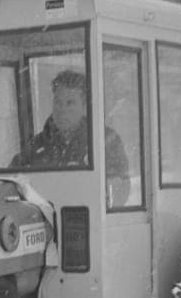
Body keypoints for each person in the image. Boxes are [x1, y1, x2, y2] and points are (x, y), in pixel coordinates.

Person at [10, 68, 130, 204]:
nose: (62, 110)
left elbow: (119, 189)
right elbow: (10, 183)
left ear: (85, 107)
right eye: (58, 102)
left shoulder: (105, 142)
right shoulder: (36, 146)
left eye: (70, 103)